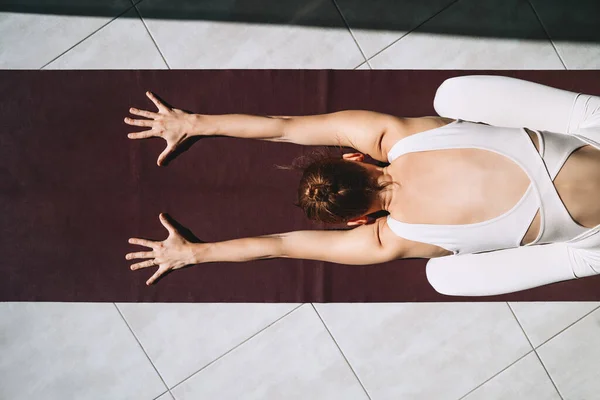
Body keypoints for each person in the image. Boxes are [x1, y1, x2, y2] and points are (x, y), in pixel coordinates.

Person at [124, 75, 600, 295]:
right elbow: (282, 125)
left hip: (591, 244)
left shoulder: (390, 238)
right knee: (451, 94)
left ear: (356, 219)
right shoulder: (396, 135)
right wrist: (195, 122)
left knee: (443, 278)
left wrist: (195, 253)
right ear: (354, 157)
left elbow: (280, 247)